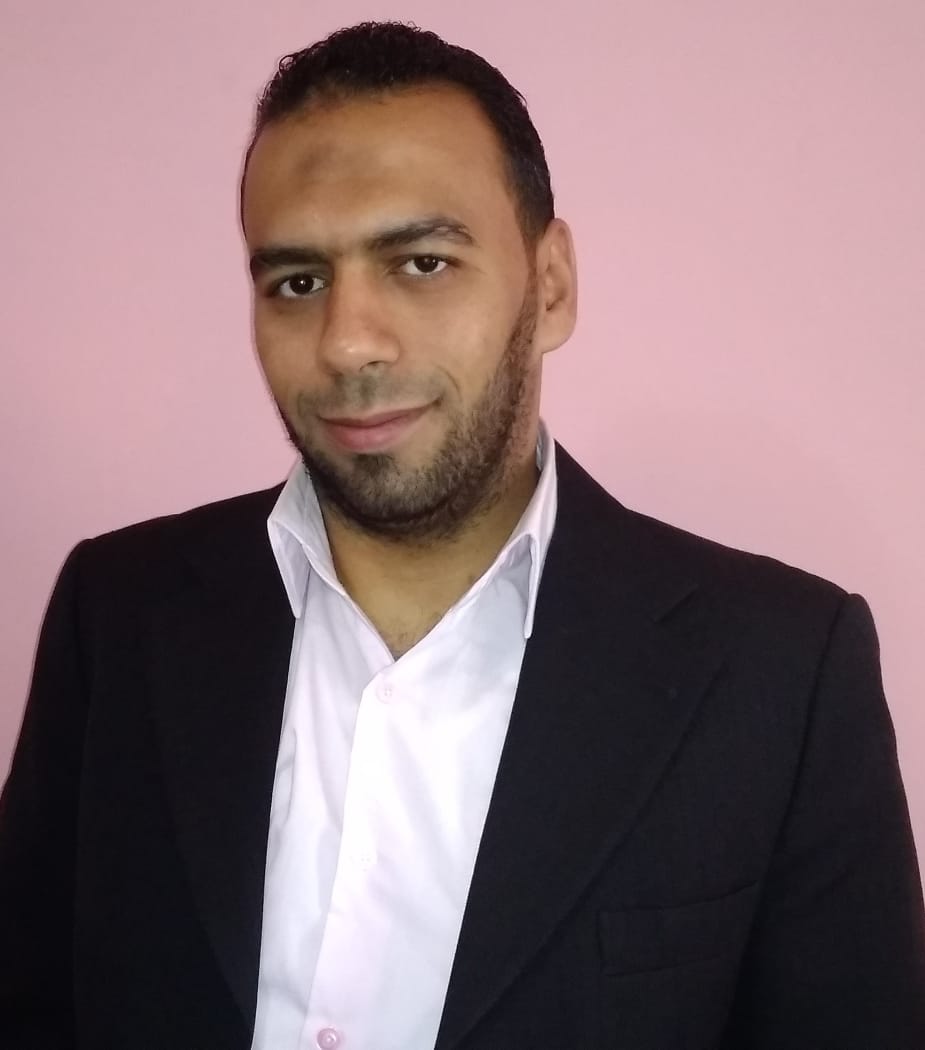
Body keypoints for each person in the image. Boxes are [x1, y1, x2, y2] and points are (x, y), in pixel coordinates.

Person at [1, 19, 923, 1050]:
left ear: (551, 284)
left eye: (421, 262)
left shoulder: (779, 674)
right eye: (297, 282)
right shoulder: (117, 614)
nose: (348, 342)